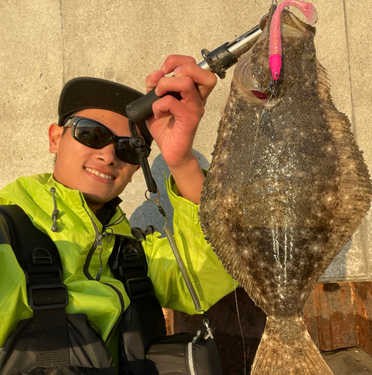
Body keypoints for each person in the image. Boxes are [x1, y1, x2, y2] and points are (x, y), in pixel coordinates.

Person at [0, 55, 235, 371]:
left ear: (136, 168)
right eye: (91, 134)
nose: (110, 155)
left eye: (127, 148)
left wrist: (182, 162)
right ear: (55, 138)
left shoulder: (133, 255)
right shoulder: (6, 232)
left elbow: (210, 271)